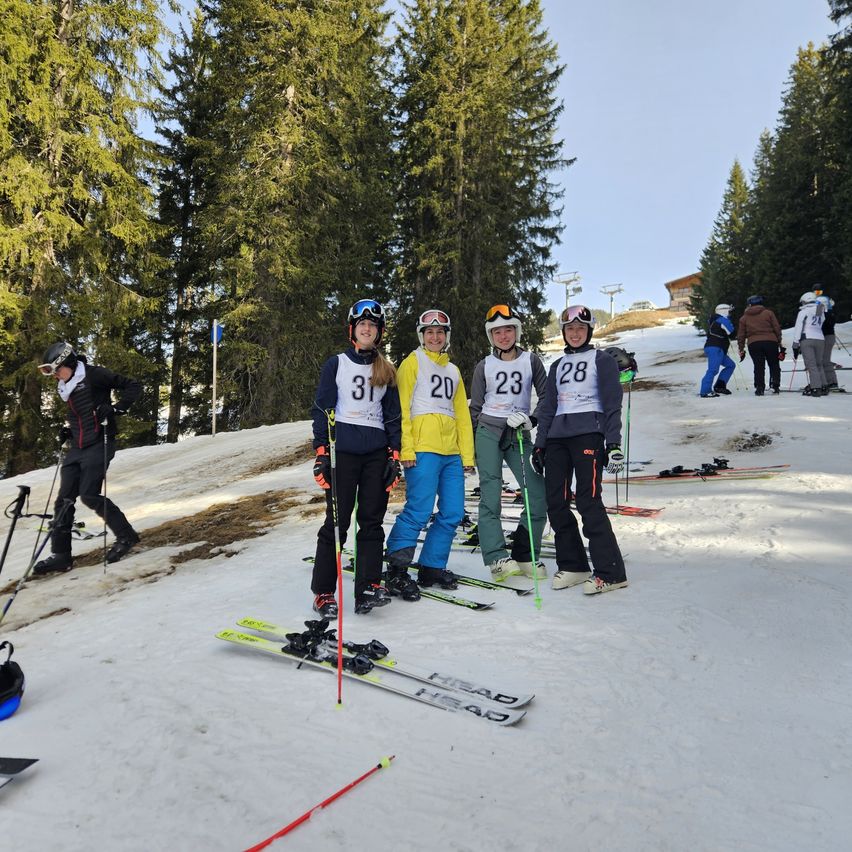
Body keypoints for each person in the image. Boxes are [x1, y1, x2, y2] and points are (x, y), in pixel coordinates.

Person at [310, 300, 402, 616]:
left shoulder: (387, 370)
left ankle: (367, 587)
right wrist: (322, 453)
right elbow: (322, 409)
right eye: (362, 324)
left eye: (372, 325)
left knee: (372, 522)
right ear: (353, 330)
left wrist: (394, 456)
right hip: (343, 454)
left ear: (379, 332)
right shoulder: (336, 364)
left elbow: (393, 416)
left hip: (376, 454)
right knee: (337, 523)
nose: (367, 328)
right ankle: (324, 592)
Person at [532, 306, 628, 595]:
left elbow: (612, 403)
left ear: (589, 331)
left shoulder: (602, 360)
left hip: (589, 434)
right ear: (563, 332)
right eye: (570, 328)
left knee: (588, 500)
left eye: (581, 328)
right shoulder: (557, 365)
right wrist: (540, 443)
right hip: (557, 439)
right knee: (556, 501)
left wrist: (613, 443)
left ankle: (611, 572)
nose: (575, 333)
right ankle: (574, 565)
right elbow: (548, 407)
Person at [385, 309, 475, 591]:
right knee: (419, 510)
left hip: (451, 453)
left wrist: (467, 455)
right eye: (429, 332)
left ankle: (431, 567)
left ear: (446, 336)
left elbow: (462, 415)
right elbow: (401, 408)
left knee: (452, 512)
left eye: (440, 332)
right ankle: (397, 568)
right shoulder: (412, 362)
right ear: (421, 336)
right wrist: (406, 449)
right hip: (423, 449)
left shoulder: (453, 371)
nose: (435, 337)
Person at [34, 342, 142, 574]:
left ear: (69, 363)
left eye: (57, 370)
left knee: (89, 495)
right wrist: (69, 431)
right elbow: (81, 413)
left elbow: (133, 385)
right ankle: (61, 555)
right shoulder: (66, 385)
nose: (55, 376)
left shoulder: (95, 375)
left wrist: (117, 408)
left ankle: (127, 536)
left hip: (100, 442)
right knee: (64, 501)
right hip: (78, 447)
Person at [468, 305, 548, 582]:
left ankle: (526, 554)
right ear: (491, 336)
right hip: (489, 432)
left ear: (517, 332)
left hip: (519, 433)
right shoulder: (484, 366)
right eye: (497, 332)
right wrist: (477, 441)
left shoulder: (531, 361)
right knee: (491, 495)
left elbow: (547, 397)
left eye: (508, 330)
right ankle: (497, 557)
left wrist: (532, 420)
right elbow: (475, 407)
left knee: (536, 493)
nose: (503, 336)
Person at [737, 295, 783, 395]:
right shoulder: (769, 313)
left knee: (758, 366)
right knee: (774, 364)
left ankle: (760, 387)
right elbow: (776, 328)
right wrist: (779, 341)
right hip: (770, 342)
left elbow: (741, 335)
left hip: (754, 343)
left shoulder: (744, 318)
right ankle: (775, 385)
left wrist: (741, 348)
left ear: (749, 304)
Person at [792, 291, 826, 396]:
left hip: (807, 339)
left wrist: (795, 344)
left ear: (805, 301)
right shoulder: (820, 310)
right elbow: (822, 321)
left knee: (811, 365)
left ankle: (815, 388)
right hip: (820, 338)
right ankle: (823, 386)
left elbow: (798, 328)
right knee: (819, 364)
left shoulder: (804, 312)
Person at [699, 304, 736, 398]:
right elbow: (731, 332)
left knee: (730, 365)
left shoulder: (715, 319)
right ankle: (705, 391)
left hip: (716, 348)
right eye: (729, 311)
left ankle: (719, 386)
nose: (730, 313)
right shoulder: (722, 319)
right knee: (713, 370)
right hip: (716, 348)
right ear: (724, 311)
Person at [815, 292, 839, 392]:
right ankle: (824, 382)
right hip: (822, 337)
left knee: (824, 360)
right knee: (821, 360)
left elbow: (827, 324)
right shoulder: (823, 311)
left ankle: (832, 382)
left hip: (827, 337)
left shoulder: (828, 312)